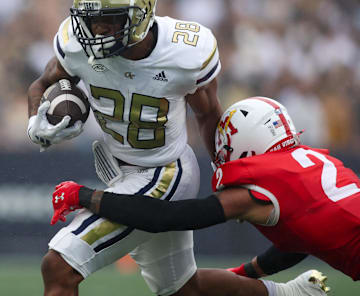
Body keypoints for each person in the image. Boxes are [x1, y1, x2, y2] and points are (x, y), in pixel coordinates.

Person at [26, 0, 327, 296]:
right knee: (184, 289)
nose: (97, 31)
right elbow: (42, 84)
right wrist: (36, 119)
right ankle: (293, 294)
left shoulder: (185, 53)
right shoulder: (75, 43)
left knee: (59, 265)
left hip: (163, 172)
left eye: (109, 20)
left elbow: (208, 114)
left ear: (141, 14)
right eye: (92, 20)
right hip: (118, 170)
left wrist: (227, 175)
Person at [52, 96, 360, 285]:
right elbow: (302, 238)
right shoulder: (313, 161)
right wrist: (247, 273)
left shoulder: (254, 193)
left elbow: (166, 217)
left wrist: (87, 196)